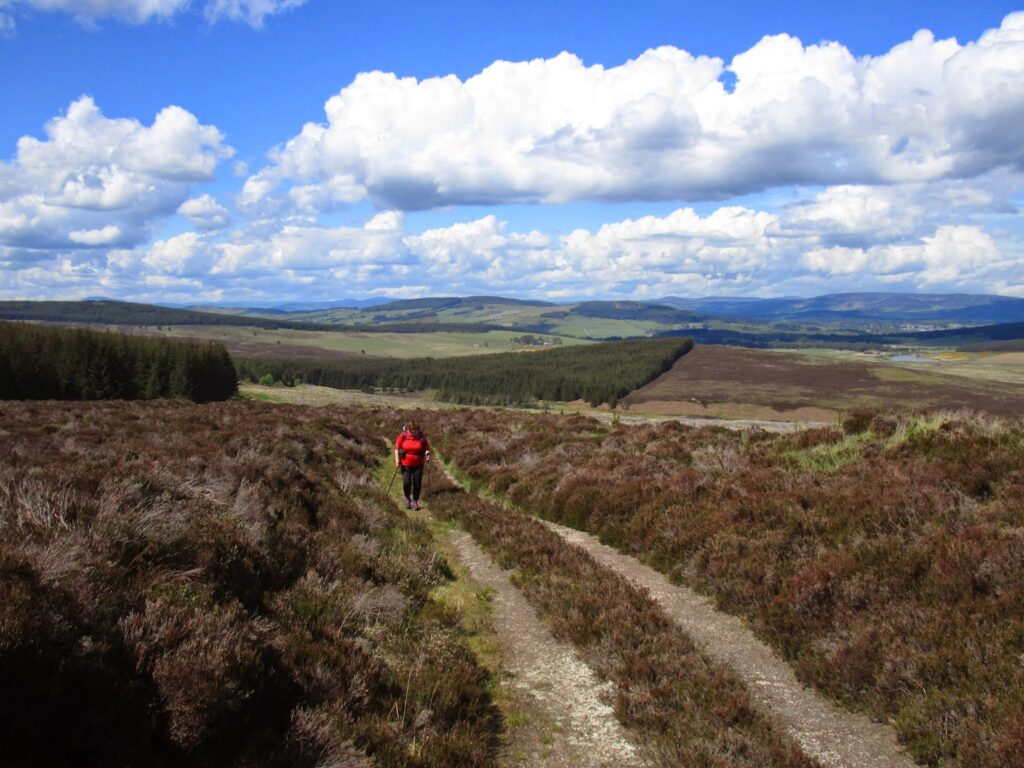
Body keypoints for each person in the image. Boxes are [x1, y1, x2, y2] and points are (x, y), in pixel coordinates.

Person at [394, 420, 431, 509]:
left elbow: (426, 447)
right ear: (409, 429)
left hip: (418, 463)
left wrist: (427, 454)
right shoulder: (403, 435)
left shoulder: (422, 436)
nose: (414, 432)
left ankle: (415, 501)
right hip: (405, 463)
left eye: (416, 430)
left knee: (417, 483)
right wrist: (396, 459)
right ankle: (407, 498)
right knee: (406, 482)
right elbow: (396, 448)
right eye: (413, 430)